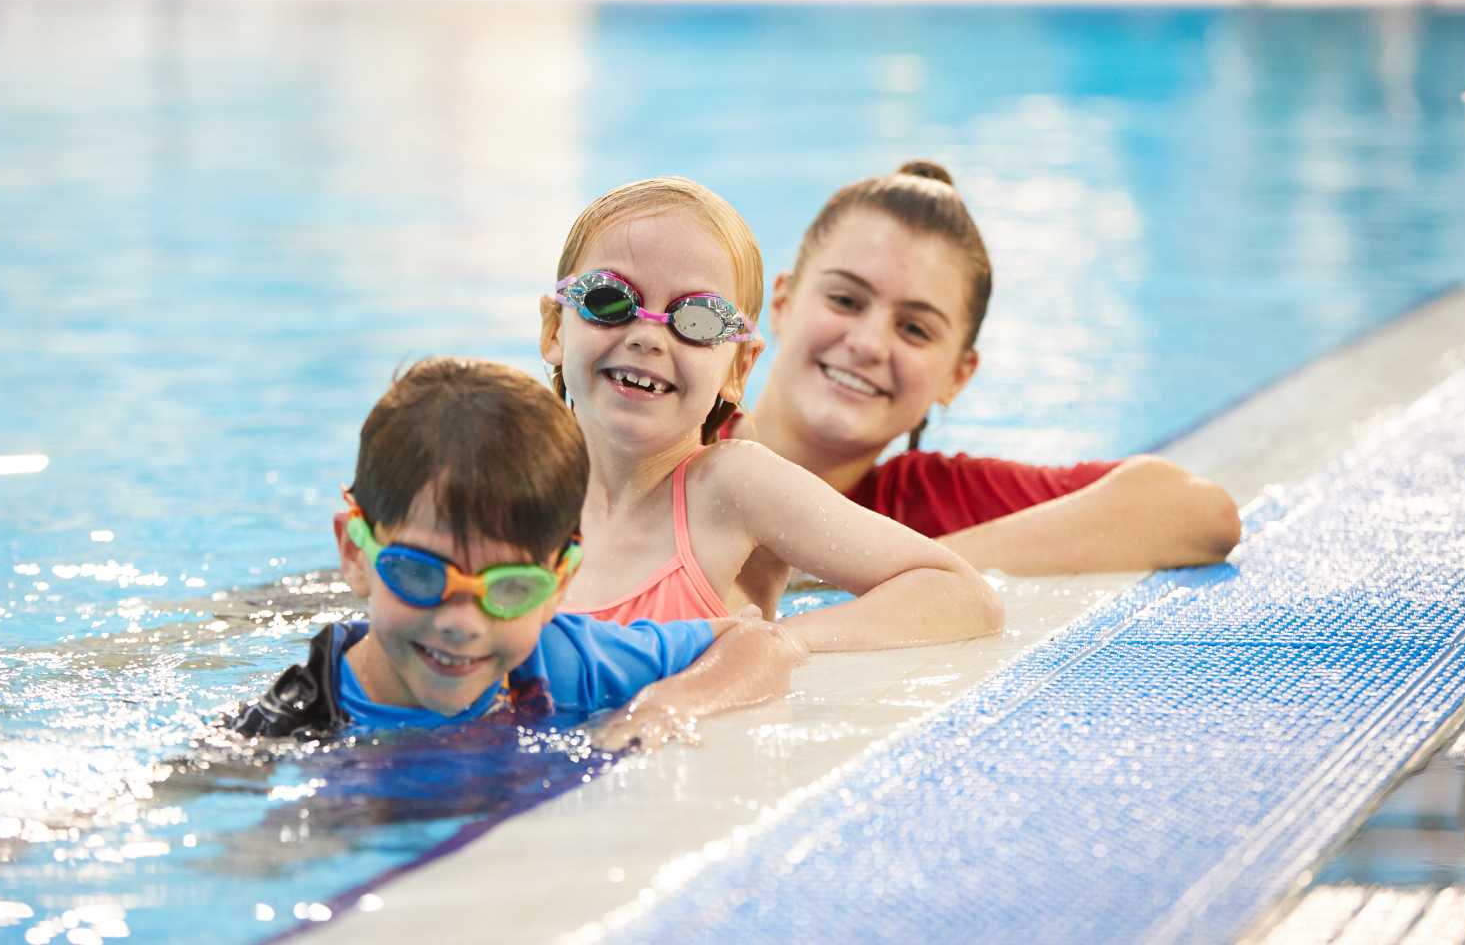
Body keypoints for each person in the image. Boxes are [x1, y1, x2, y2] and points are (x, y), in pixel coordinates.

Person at [230, 357, 805, 746]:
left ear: (558, 583)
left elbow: (757, 642)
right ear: (355, 557)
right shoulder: (293, 724)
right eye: (421, 575)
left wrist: (669, 707)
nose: (461, 625)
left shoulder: (560, 664)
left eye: (509, 590)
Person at [538, 176, 1004, 649]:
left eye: (697, 320)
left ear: (739, 367)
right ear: (555, 330)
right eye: (608, 300)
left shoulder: (731, 487)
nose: (647, 336)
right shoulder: (508, 480)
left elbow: (962, 595)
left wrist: (768, 644)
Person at [737, 161, 1241, 577]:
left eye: (915, 329)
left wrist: (896, 569)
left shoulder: (923, 503)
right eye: (846, 300)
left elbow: (1198, 512)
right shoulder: (678, 439)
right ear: (781, 303)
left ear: (958, 375)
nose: (869, 344)